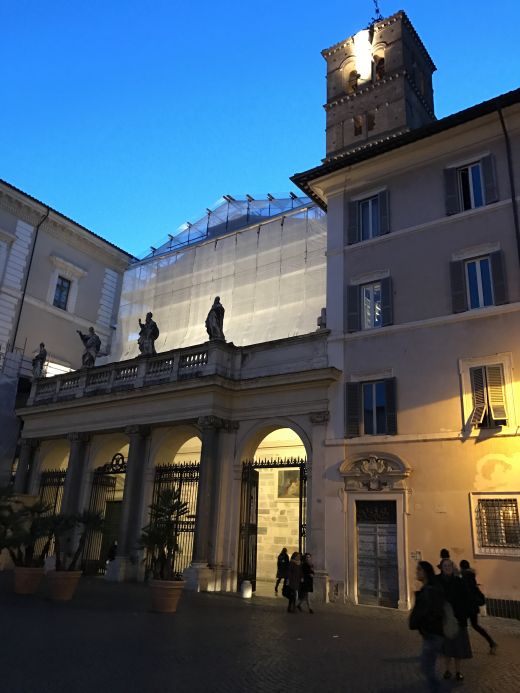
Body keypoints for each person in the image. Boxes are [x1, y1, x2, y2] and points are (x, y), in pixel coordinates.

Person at [409, 561, 445, 693]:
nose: (416, 572)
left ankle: (436, 689)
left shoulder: (431, 591)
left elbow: (434, 612)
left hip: (432, 635)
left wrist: (424, 625)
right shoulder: (427, 589)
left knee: (426, 667)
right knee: (427, 667)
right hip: (430, 634)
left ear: (425, 572)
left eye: (419, 570)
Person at [436, 558, 472, 681]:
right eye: (445, 566)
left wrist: (464, 614)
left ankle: (458, 671)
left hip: (458, 619)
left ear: (452, 567)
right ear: (441, 567)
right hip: (444, 620)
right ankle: (447, 670)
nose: (447, 568)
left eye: (449, 565)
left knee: (458, 648)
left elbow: (467, 598)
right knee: (446, 648)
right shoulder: (437, 581)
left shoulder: (459, 581)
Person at [460, 559, 497, 654]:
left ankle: (462, 648)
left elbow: (466, 593)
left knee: (462, 626)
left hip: (467, 606)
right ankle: (491, 642)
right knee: (475, 625)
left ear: (461, 568)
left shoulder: (465, 577)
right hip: (473, 606)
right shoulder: (471, 577)